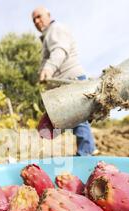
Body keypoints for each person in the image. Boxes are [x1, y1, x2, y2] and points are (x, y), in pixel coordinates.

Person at [32, 6, 98, 156]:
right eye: (34, 19)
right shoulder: (48, 34)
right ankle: (86, 150)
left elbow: (59, 50)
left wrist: (48, 69)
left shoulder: (55, 29)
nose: (36, 21)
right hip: (66, 81)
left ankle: (86, 153)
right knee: (76, 118)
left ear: (48, 15)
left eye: (39, 16)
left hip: (71, 80)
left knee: (78, 117)